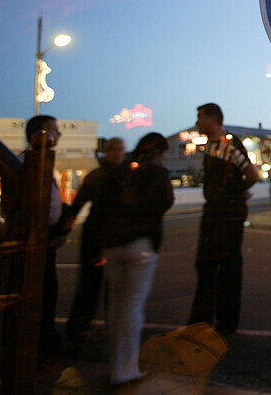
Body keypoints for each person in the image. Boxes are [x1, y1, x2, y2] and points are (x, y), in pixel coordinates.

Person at [99, 132, 175, 387]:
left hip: (112, 243)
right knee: (132, 307)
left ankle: (115, 366)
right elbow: (165, 202)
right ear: (158, 152)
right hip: (141, 244)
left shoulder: (118, 173)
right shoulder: (157, 173)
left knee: (115, 306)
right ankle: (126, 369)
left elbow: (103, 204)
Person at [187, 103, 259, 336]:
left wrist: (234, 193)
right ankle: (206, 320)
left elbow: (252, 174)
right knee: (209, 264)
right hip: (217, 213)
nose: (197, 122)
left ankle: (223, 321)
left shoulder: (229, 145)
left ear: (212, 119)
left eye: (200, 117)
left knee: (225, 265)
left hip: (227, 216)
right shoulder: (211, 147)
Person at [2, 115, 71, 357]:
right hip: (33, 241)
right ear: (40, 135)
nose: (59, 135)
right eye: (55, 130)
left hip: (45, 239)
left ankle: (43, 340)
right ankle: (36, 346)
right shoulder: (29, 164)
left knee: (47, 291)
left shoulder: (42, 163)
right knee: (39, 293)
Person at [64, 136, 126, 343]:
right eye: (113, 150)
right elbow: (79, 203)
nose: (117, 153)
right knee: (90, 287)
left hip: (113, 237)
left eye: (120, 149)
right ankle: (79, 329)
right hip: (97, 238)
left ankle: (104, 329)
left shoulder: (118, 176)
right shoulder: (99, 176)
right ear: (107, 152)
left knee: (112, 289)